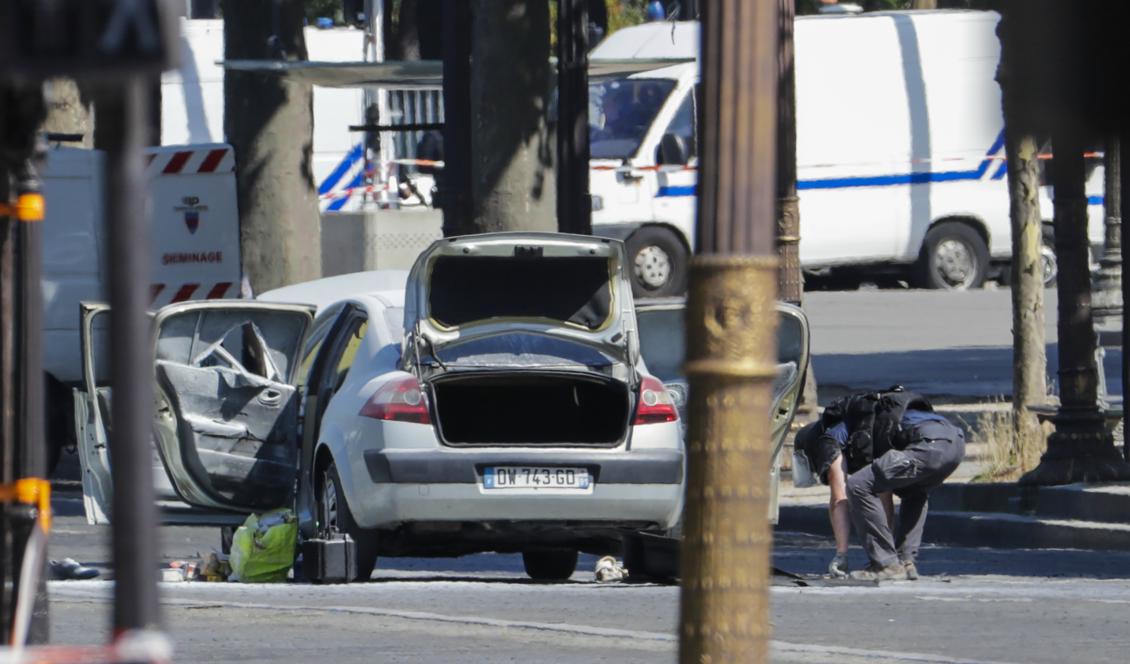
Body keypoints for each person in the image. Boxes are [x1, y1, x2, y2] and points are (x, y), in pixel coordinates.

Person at [794, 387, 964, 581]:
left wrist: (841, 554)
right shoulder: (864, 428)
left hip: (927, 443)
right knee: (913, 491)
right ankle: (904, 561)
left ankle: (886, 564)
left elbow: (839, 498)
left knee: (857, 485)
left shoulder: (826, 439)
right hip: (954, 441)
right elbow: (883, 495)